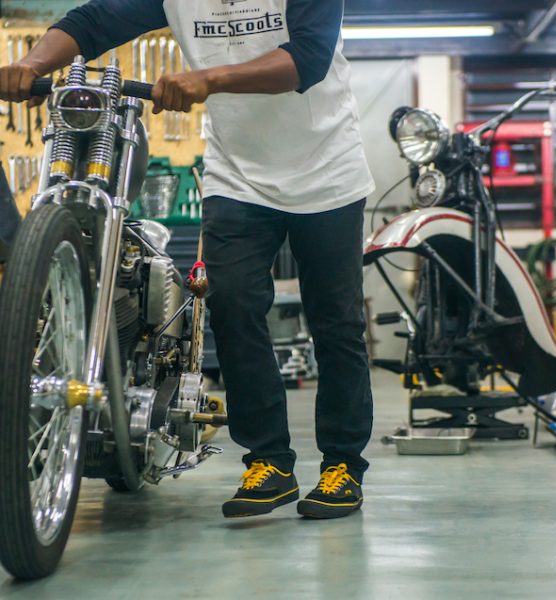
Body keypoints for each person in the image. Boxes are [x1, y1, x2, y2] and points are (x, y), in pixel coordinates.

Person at [0, 0, 375, 520]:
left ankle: (343, 464)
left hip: (327, 170)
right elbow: (93, 21)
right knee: (233, 307)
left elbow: (308, 59)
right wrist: (31, 64)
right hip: (238, 176)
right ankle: (268, 460)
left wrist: (207, 80)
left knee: (336, 323)